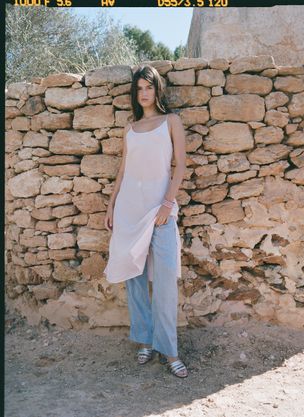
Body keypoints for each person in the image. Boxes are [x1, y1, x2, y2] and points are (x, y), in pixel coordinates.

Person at [103, 64, 187, 378]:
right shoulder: (130, 128)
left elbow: (180, 165)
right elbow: (123, 171)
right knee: (133, 276)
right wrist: (111, 205)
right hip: (128, 208)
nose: (144, 94)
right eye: (139, 89)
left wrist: (168, 203)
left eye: (148, 87)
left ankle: (170, 350)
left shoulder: (171, 121)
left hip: (160, 210)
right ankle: (144, 340)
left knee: (165, 278)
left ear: (157, 89)